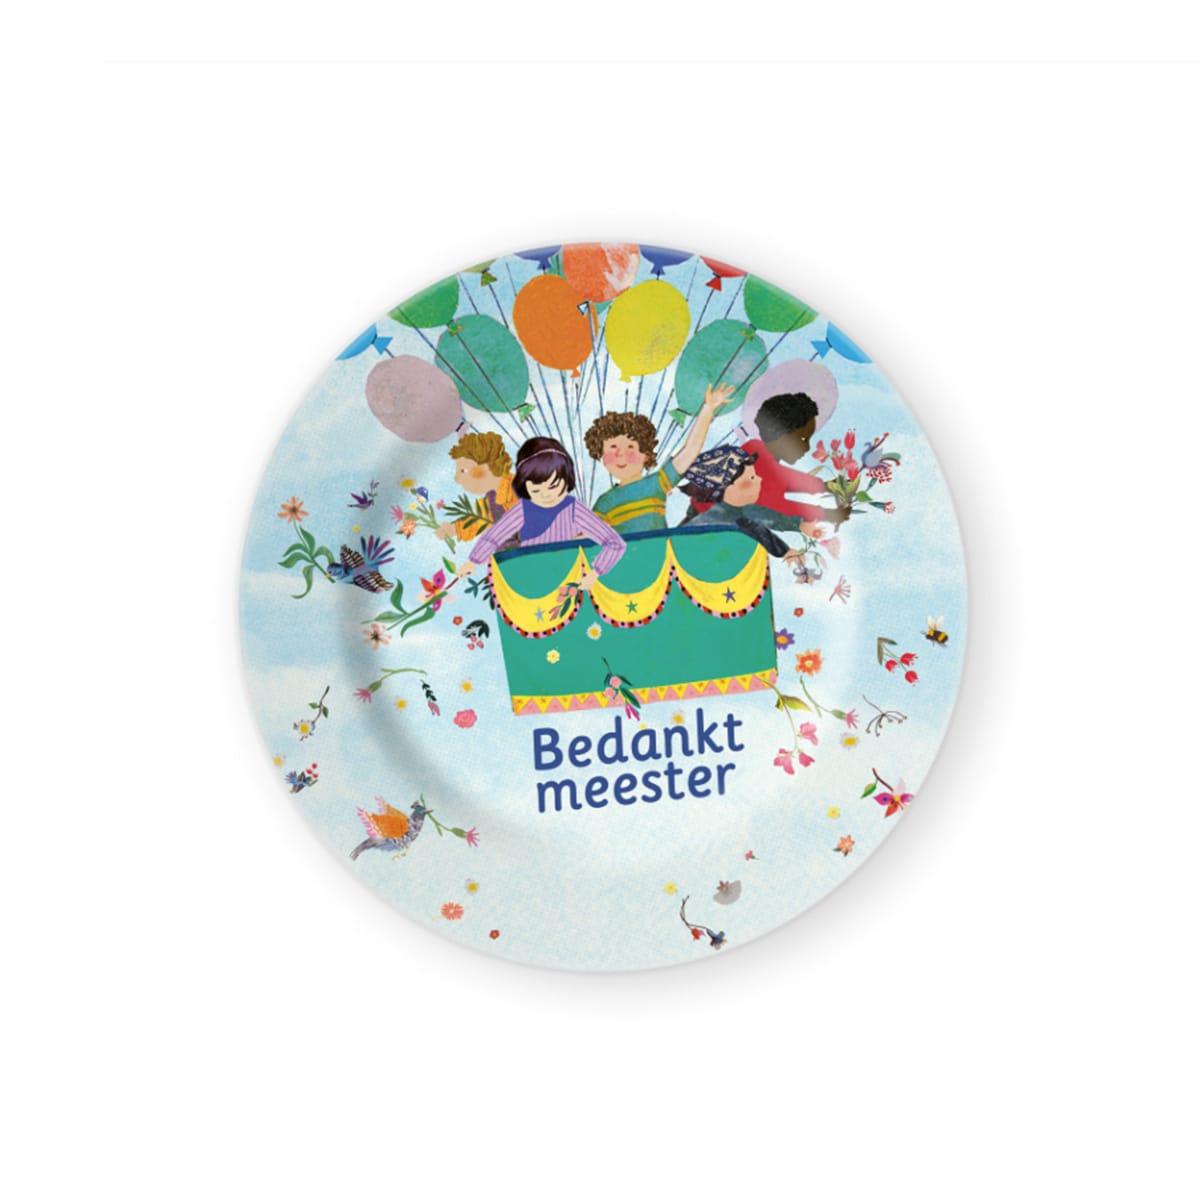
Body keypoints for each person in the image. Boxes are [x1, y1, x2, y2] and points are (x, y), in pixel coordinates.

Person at [456, 437, 625, 589]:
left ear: (567, 478)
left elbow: (615, 543)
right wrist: (473, 561)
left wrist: (595, 574)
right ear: (524, 487)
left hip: (568, 584)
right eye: (536, 490)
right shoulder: (523, 509)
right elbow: (494, 535)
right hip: (531, 583)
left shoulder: (574, 509)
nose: (546, 495)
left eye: (553, 486)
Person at [585, 383, 733, 533]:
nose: (620, 454)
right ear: (601, 455)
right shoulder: (605, 502)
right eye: (612, 447)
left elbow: (689, 451)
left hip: (662, 547)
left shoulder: (656, 483)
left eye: (629, 447)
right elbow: (586, 535)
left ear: (645, 455)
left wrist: (708, 408)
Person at [691, 391, 851, 528]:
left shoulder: (757, 451)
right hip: (706, 527)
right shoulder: (756, 466)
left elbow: (788, 479)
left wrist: (826, 487)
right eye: (802, 439)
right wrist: (827, 514)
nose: (807, 447)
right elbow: (780, 508)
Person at [678, 445, 807, 567]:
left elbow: (762, 524)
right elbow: (760, 524)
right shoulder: (720, 514)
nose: (759, 480)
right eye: (751, 478)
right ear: (728, 487)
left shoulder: (732, 510)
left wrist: (785, 549)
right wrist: (786, 549)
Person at [435, 431, 517, 544]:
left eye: (463, 470)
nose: (457, 479)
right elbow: (478, 522)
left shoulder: (518, 488)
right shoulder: (490, 499)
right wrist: (454, 528)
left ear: (486, 466)